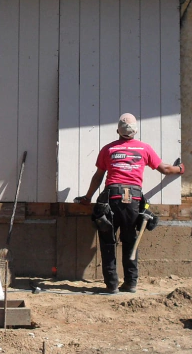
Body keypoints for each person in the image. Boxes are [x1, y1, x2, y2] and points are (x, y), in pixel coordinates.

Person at [77, 113, 184, 294]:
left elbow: (98, 176)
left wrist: (87, 198)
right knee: (130, 241)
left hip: (111, 199)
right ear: (135, 131)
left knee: (108, 242)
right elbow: (165, 169)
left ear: (117, 131)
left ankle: (112, 285)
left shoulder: (109, 149)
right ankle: (131, 283)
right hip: (133, 200)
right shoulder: (144, 149)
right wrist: (180, 169)